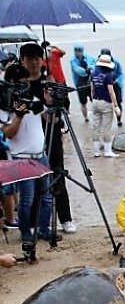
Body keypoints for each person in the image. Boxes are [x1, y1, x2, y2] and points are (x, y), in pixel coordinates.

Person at [22, 41, 76, 235]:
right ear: (23, 60)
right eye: (29, 59)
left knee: (58, 173)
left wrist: (53, 99)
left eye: (37, 58)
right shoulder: (20, 84)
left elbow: (64, 108)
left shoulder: (50, 80)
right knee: (33, 180)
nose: (34, 62)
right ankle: (35, 222)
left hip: (52, 134)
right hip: (28, 140)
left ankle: (66, 218)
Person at [0, 62, 53, 255]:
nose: (24, 87)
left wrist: (48, 102)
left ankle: (44, 230)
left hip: (41, 155)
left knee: (47, 197)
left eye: (26, 83)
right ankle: (26, 234)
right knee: (27, 199)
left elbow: (51, 120)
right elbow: (9, 133)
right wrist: (19, 115)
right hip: (21, 158)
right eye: (20, 83)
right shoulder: (5, 105)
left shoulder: (33, 99)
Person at [90, 53, 119, 158]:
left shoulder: (93, 73)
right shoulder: (108, 75)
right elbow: (111, 92)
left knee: (96, 128)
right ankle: (107, 151)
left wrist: (92, 99)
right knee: (106, 128)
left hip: (95, 101)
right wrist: (116, 106)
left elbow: (92, 88)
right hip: (105, 102)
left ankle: (96, 151)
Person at [100, 48, 125, 126]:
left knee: (118, 102)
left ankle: (119, 120)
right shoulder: (98, 63)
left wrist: (116, 81)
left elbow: (121, 74)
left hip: (115, 84)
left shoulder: (116, 63)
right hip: (105, 85)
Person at [70, 44, 95, 121]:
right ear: (74, 51)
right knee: (83, 102)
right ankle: (86, 118)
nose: (79, 53)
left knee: (94, 100)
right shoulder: (73, 60)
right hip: (80, 83)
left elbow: (95, 62)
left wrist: (90, 67)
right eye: (77, 51)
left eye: (80, 51)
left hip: (90, 81)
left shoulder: (88, 57)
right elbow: (77, 70)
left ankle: (96, 116)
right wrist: (86, 70)